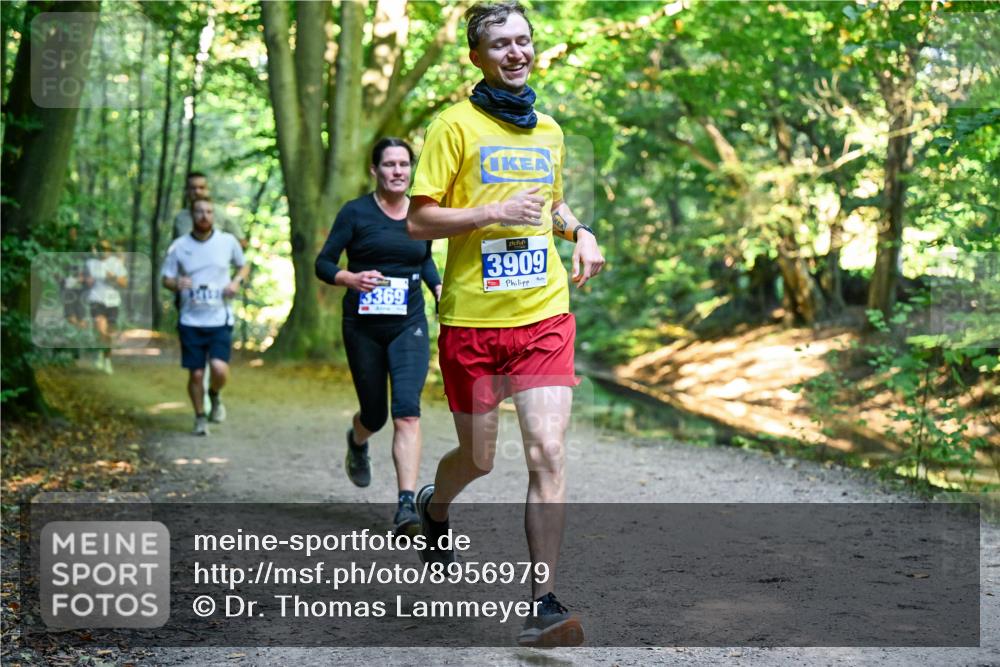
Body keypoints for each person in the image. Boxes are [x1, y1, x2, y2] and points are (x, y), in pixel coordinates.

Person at [407, 1, 604, 648]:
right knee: (480, 458)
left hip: (543, 313)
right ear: (477, 56)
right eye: (501, 44)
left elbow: (550, 204)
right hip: (471, 319)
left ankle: (543, 602)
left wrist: (579, 231)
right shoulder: (453, 127)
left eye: (523, 40)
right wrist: (488, 212)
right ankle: (436, 506)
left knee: (547, 450)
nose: (516, 52)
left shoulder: (548, 129)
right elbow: (418, 220)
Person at [316, 138, 443, 537]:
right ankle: (357, 441)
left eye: (404, 164)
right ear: (375, 170)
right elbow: (323, 263)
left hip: (409, 324)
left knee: (407, 411)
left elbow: (423, 260)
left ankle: (406, 504)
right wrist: (349, 278)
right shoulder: (355, 213)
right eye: (389, 164)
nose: (398, 171)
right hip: (363, 326)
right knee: (375, 414)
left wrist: (438, 288)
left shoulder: (424, 214)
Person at [161, 196, 249, 436]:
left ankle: (215, 395)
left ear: (214, 215)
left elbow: (244, 265)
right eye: (199, 212)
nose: (204, 216)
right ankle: (200, 416)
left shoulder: (227, 241)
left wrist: (235, 282)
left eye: (209, 212)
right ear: (192, 216)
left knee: (219, 369)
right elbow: (165, 279)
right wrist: (176, 283)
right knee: (197, 373)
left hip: (219, 317)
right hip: (191, 319)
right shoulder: (179, 246)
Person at [172, 171, 248, 249]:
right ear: (186, 191)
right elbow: (175, 248)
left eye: (201, 187)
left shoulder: (220, 213)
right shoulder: (180, 218)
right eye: (193, 188)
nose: (197, 192)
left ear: (207, 190)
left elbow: (242, 242)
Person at [84, 241, 128, 374]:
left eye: (107, 248)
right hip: (96, 299)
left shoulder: (116, 263)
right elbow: (85, 280)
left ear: (110, 250)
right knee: (100, 326)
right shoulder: (91, 263)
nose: (104, 250)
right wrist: (88, 281)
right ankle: (99, 353)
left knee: (109, 332)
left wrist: (113, 277)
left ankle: (107, 360)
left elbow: (124, 283)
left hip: (112, 301)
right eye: (101, 248)